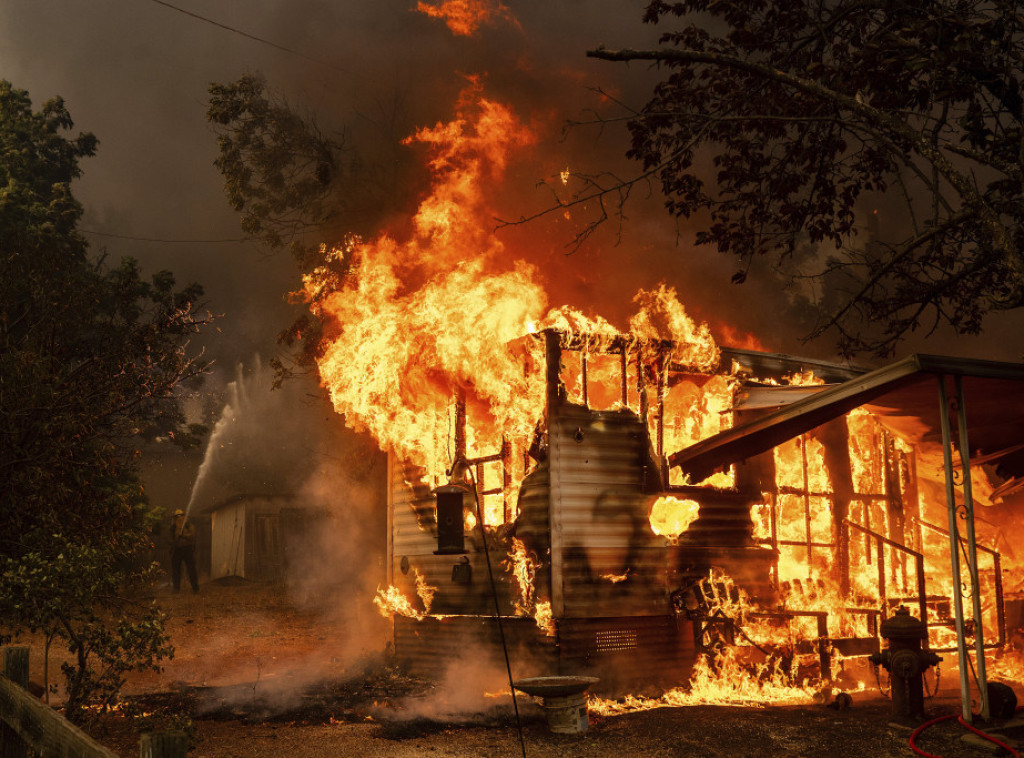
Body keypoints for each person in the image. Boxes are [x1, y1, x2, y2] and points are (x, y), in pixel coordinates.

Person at [171, 509, 199, 593]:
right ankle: (176, 588)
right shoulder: (173, 527)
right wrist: (173, 542)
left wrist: (183, 535)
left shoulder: (189, 526)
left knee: (191, 569)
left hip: (187, 549)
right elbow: (169, 538)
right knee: (176, 570)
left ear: (184, 516)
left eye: (181, 516)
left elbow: (192, 535)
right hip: (177, 549)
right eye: (177, 517)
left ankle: (195, 588)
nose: (179, 518)